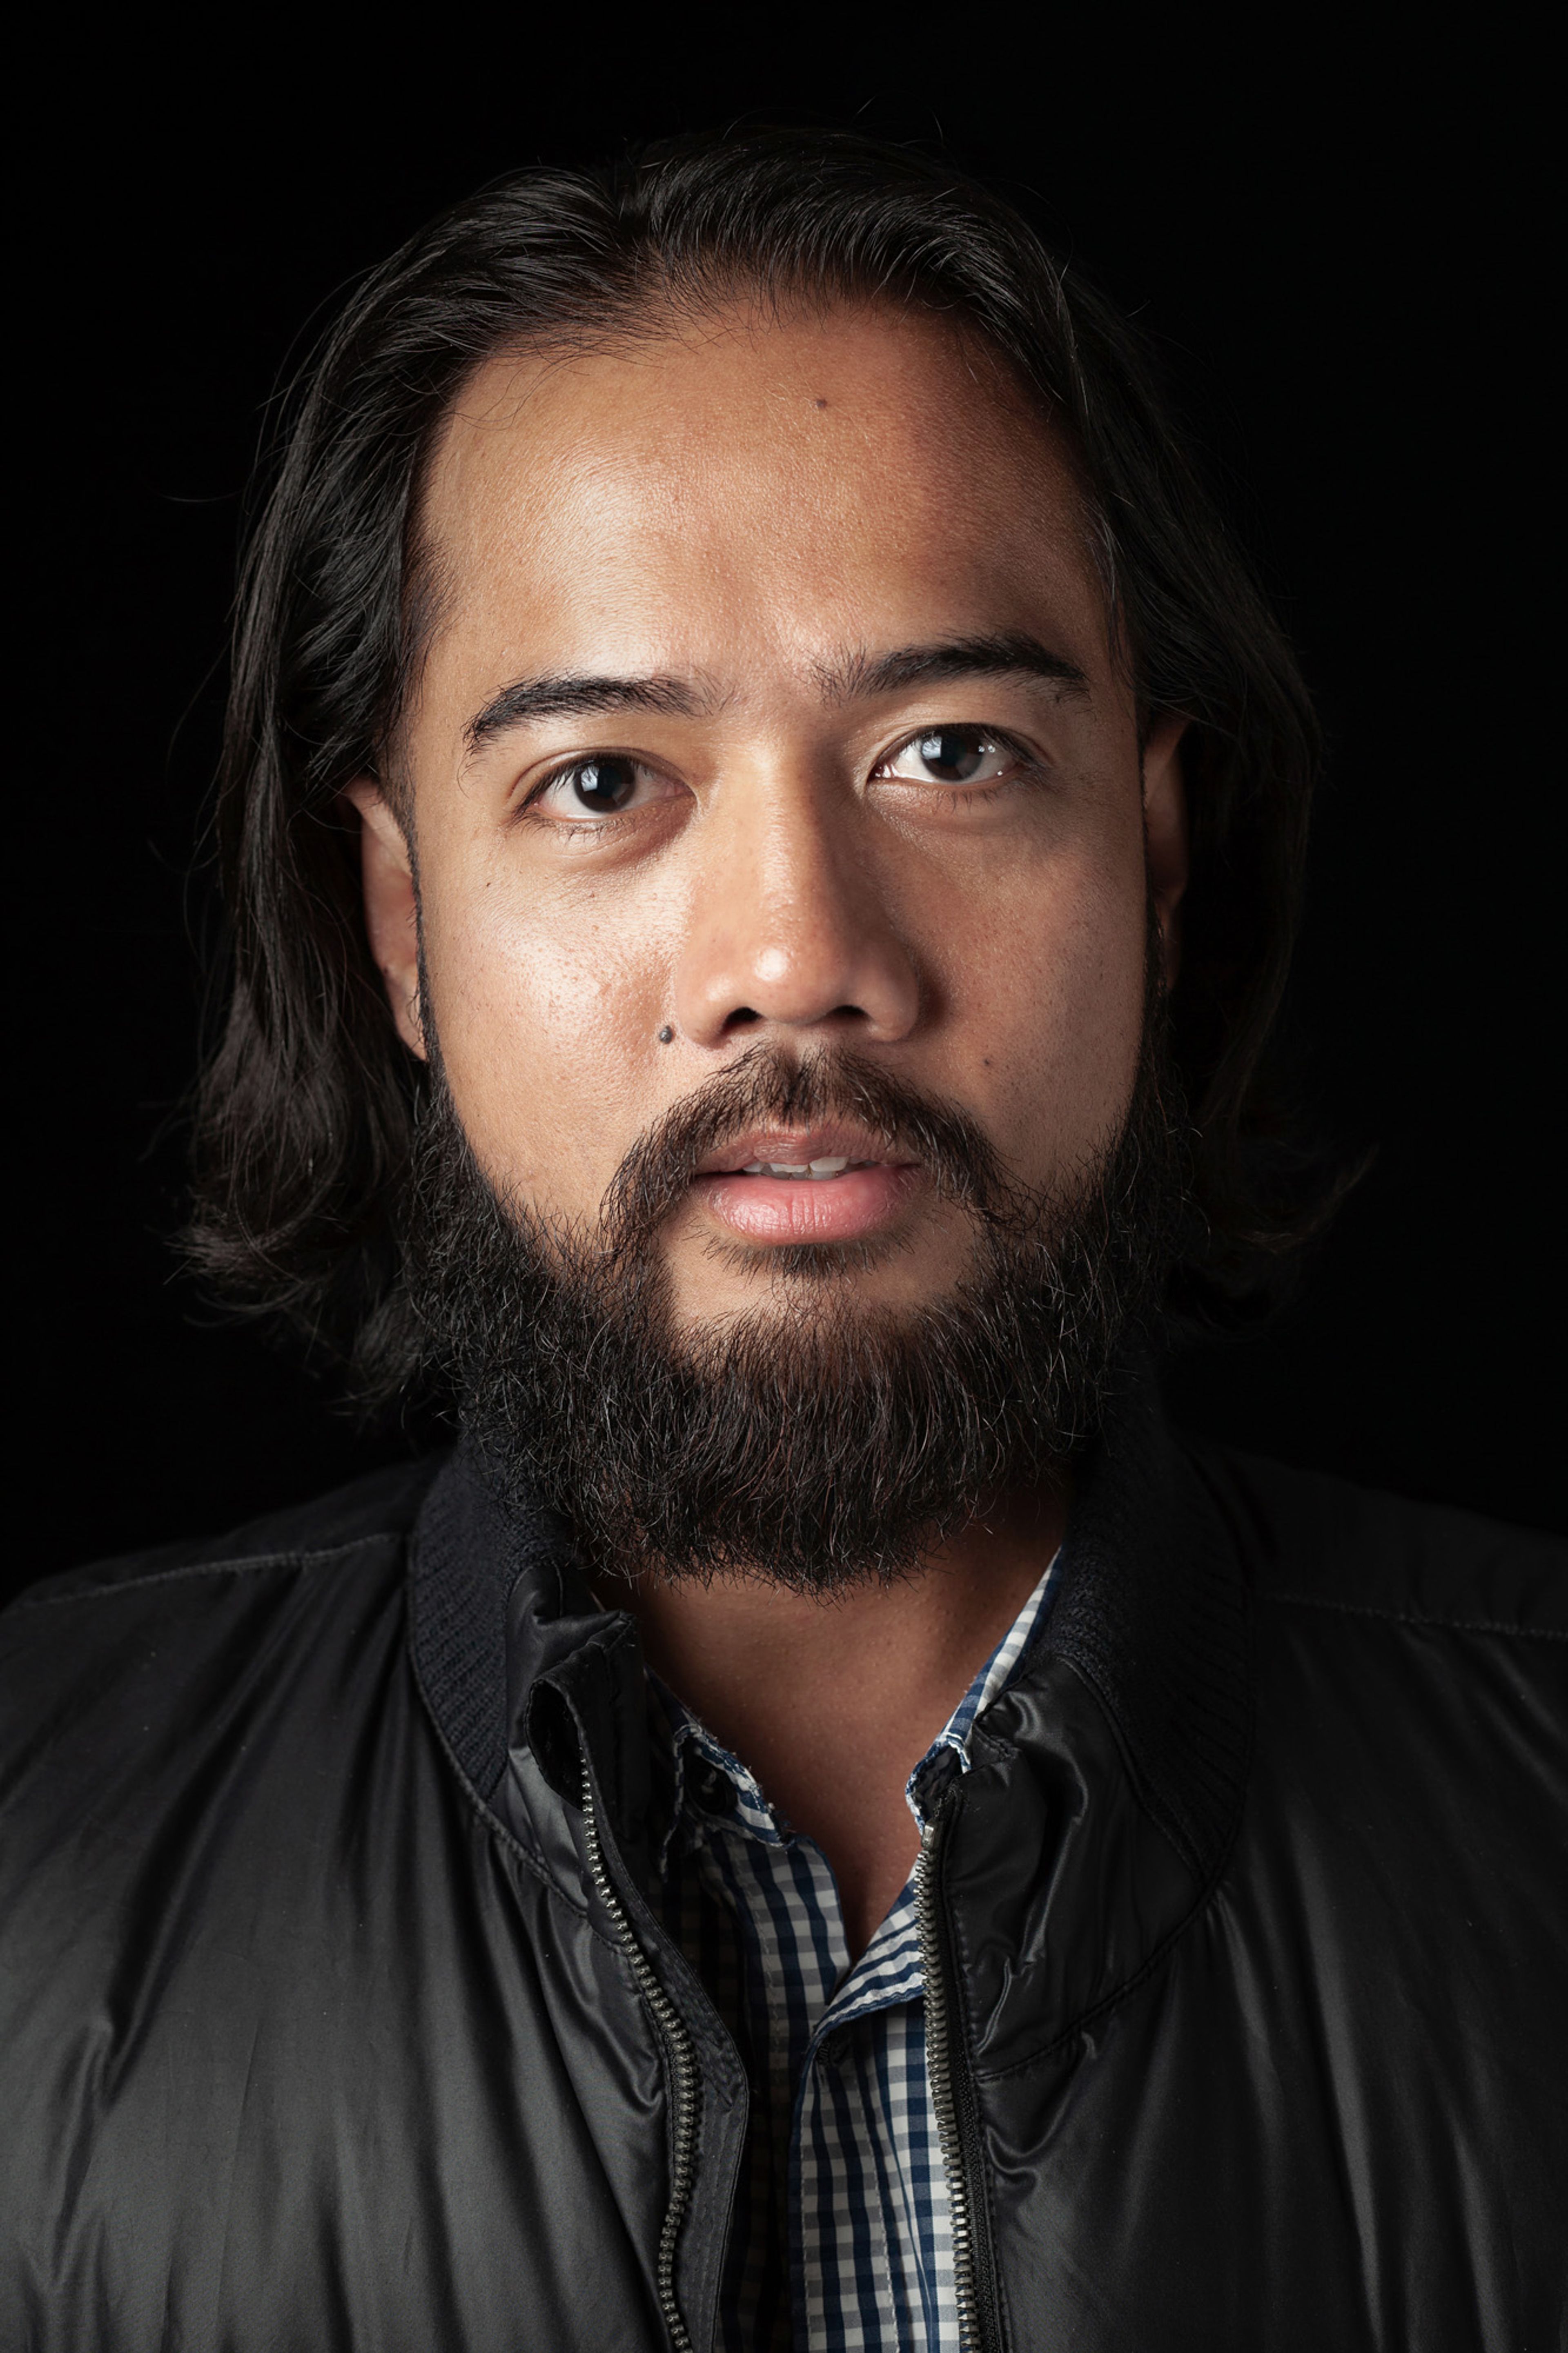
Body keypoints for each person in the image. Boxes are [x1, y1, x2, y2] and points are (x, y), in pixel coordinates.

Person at [2, 129, 1562, 2353]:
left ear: (1156, 857)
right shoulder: (30, 1858)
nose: (795, 956)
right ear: (399, 922)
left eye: (947, 750)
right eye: (605, 783)